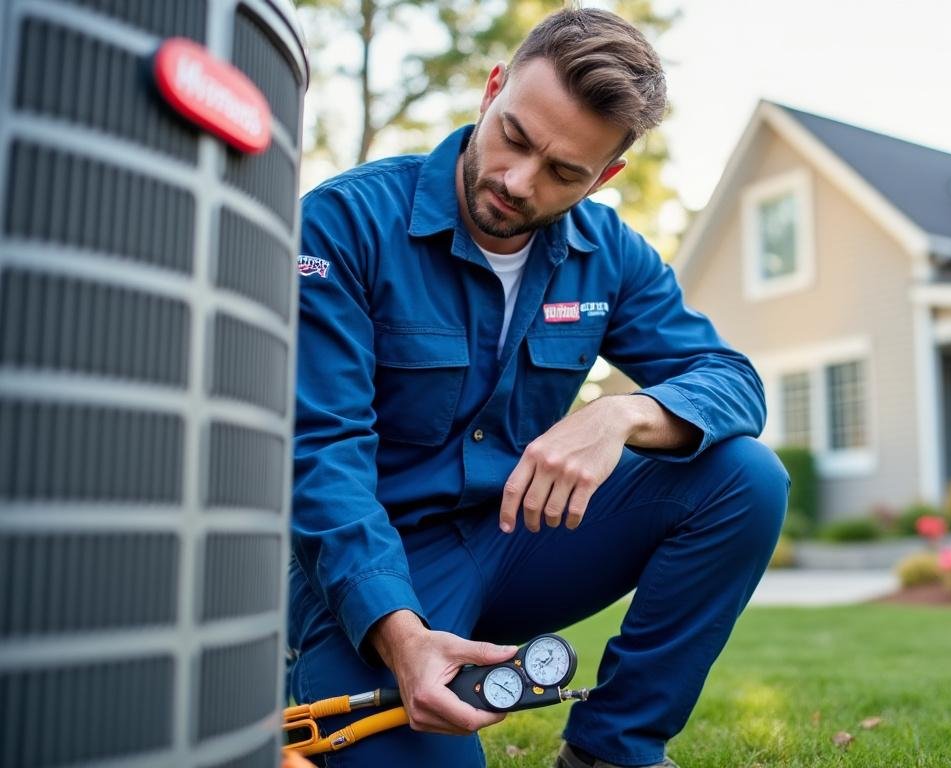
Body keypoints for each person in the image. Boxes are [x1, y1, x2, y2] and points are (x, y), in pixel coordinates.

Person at [287, 8, 788, 767]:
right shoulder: (343, 223)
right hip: (379, 570)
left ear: (605, 176)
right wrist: (400, 633)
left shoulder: (609, 253)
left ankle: (612, 750)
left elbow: (734, 383)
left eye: (564, 173)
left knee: (745, 478)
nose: (518, 182)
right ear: (493, 90)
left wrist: (624, 413)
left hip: (523, 540)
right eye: (514, 138)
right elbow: (322, 453)